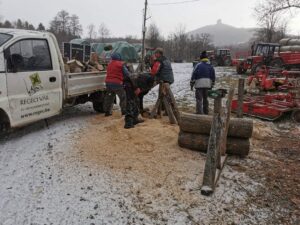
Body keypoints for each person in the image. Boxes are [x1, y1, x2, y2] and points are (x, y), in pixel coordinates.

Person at [190, 51, 216, 115]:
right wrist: (212, 84)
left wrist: (191, 84)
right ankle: (206, 112)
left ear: (201, 58)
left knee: (199, 99)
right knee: (205, 99)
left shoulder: (198, 65)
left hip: (199, 85)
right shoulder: (210, 66)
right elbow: (213, 76)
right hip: (207, 85)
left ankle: (199, 113)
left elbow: (194, 75)